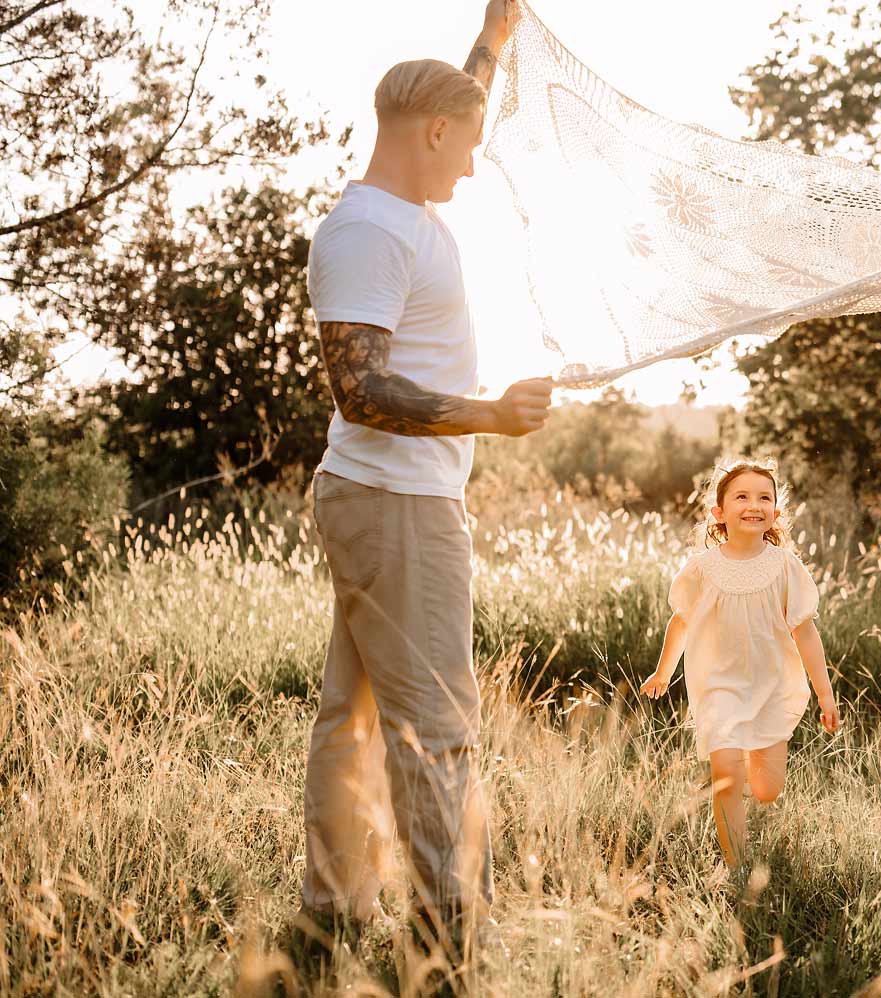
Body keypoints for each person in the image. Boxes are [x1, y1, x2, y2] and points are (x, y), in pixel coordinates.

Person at [296, 0, 550, 974]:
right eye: (468, 143)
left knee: (353, 715)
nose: (474, 163)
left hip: (382, 497)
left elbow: (456, 103)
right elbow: (359, 388)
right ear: (434, 133)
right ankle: (451, 937)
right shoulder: (365, 231)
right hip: (397, 502)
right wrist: (492, 414)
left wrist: (491, 39)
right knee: (436, 722)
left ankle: (331, 905)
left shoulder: (408, 204)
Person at [640, 461, 841, 867]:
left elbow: (805, 633)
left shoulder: (785, 567)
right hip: (718, 686)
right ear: (719, 513)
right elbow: (680, 622)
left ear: (775, 513)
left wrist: (825, 694)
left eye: (764, 497)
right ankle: (736, 865)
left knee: (767, 789)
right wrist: (664, 671)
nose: (754, 504)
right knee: (726, 775)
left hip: (771, 685)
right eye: (742, 496)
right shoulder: (702, 569)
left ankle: (752, 762)